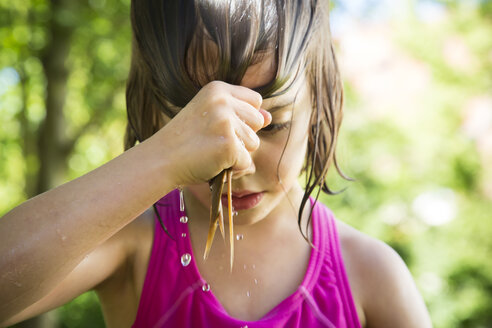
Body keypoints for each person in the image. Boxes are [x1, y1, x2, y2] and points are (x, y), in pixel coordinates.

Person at [0, 0, 432, 327]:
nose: (235, 162)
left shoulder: (370, 275)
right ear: (156, 117)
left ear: (320, 102)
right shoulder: (135, 244)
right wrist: (162, 159)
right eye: (197, 128)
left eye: (271, 124)